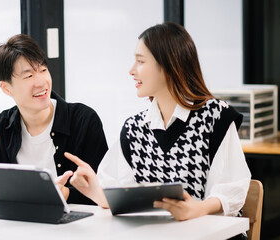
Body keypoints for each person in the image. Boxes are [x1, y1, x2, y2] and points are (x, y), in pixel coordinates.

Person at [64, 22, 251, 222]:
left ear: (170, 65)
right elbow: (123, 197)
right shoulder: (133, 128)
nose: (131, 70)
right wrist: (93, 190)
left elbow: (233, 189)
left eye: (140, 61)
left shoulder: (216, 117)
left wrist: (198, 209)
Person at [0, 34, 108, 204]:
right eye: (29, 76)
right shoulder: (1, 128)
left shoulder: (83, 121)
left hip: (75, 228)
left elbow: (104, 195)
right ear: (7, 88)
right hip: (16, 228)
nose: (41, 82)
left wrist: (65, 194)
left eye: (43, 70)